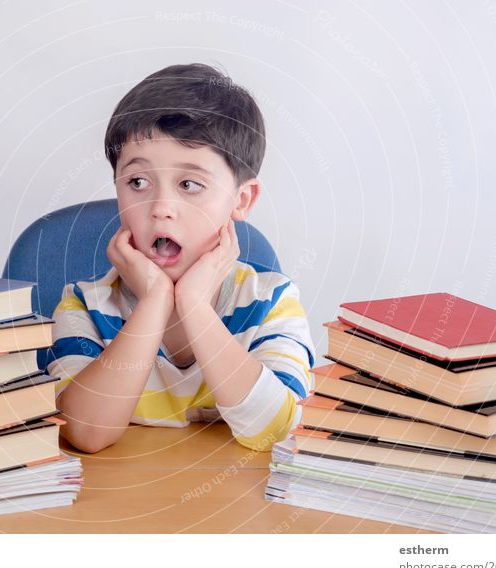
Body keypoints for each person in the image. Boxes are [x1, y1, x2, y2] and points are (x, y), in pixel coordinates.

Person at [44, 63, 315, 453]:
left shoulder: (271, 303)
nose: (161, 207)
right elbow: (86, 432)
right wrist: (155, 302)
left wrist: (193, 305)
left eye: (190, 184)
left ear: (241, 200)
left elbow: (272, 429)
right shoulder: (84, 306)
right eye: (138, 182)